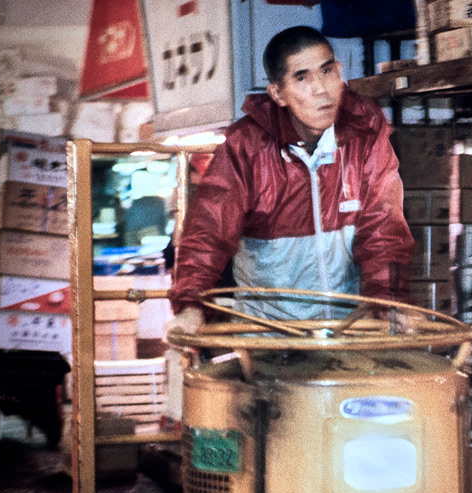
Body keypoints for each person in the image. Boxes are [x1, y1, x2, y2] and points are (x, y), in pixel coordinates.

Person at [167, 25, 416, 332]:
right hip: (268, 332)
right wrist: (191, 304)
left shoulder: (364, 131)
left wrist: (388, 301)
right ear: (277, 93)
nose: (322, 89)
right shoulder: (247, 146)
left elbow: (383, 226)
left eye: (328, 71)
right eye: (302, 78)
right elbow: (209, 230)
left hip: (348, 330)